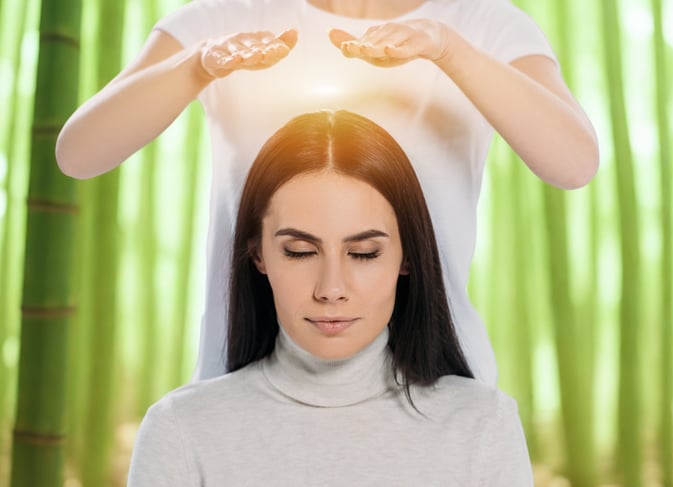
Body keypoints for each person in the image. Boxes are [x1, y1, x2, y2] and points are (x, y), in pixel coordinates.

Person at [56, 0, 599, 384]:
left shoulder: (482, 22)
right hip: (245, 384)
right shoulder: (223, 18)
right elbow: (80, 152)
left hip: (432, 388)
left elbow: (573, 162)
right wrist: (197, 66)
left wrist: (449, 52)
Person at [126, 110, 534, 485]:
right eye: (300, 252)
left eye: (363, 254)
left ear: (406, 256)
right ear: (258, 254)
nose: (332, 289)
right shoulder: (182, 431)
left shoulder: (483, 425)